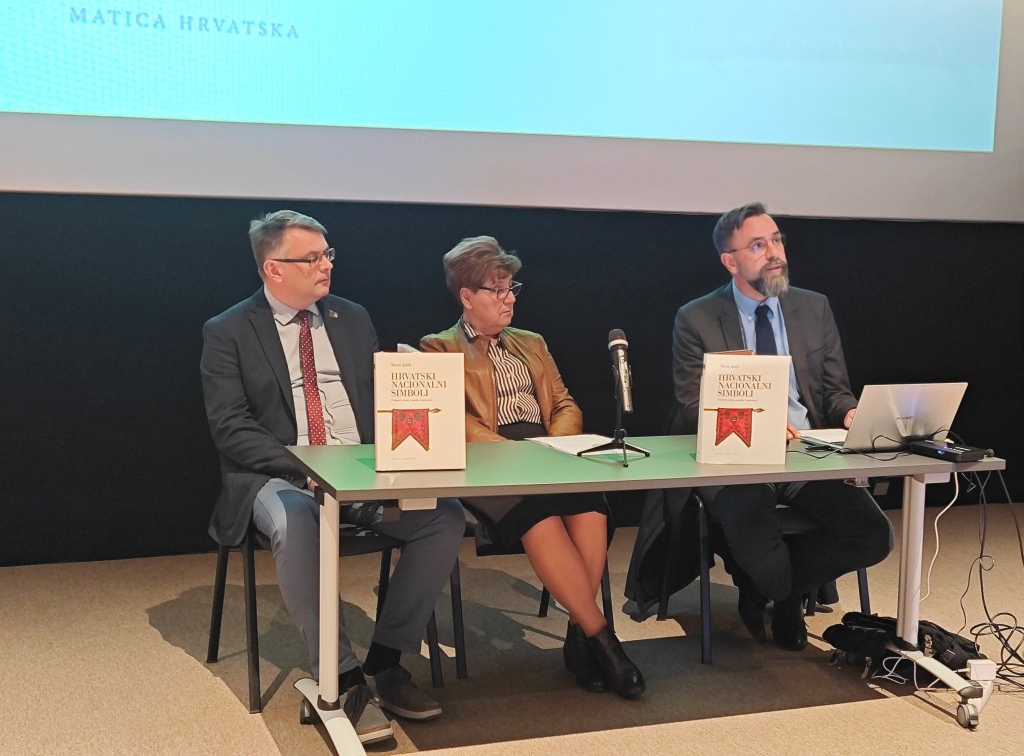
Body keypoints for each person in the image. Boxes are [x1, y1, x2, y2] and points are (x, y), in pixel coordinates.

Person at [200, 210, 465, 743]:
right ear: (274, 269)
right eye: (312, 258)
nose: (327, 265)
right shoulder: (228, 330)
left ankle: (386, 662)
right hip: (276, 475)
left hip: (359, 468)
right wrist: (307, 467)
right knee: (297, 520)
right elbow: (230, 428)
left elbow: (380, 399)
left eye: (328, 254)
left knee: (443, 517)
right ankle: (342, 679)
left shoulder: (352, 317)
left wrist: (411, 383)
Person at [630, 202, 893, 650]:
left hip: (806, 452)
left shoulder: (813, 307)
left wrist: (851, 413)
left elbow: (835, 391)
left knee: (873, 535)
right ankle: (781, 594)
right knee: (756, 539)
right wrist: (762, 423)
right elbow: (693, 406)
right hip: (738, 456)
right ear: (730, 261)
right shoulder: (697, 318)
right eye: (757, 245)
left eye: (776, 240)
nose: (774, 252)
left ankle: (775, 593)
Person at [420, 236, 645, 699]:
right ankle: (604, 642)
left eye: (512, 289)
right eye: (497, 291)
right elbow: (452, 419)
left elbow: (564, 403)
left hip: (547, 451)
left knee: (591, 504)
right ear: (467, 296)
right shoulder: (438, 348)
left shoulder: (532, 343)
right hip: (488, 459)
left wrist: (555, 446)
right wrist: (513, 453)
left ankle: (580, 636)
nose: (509, 300)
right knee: (539, 515)